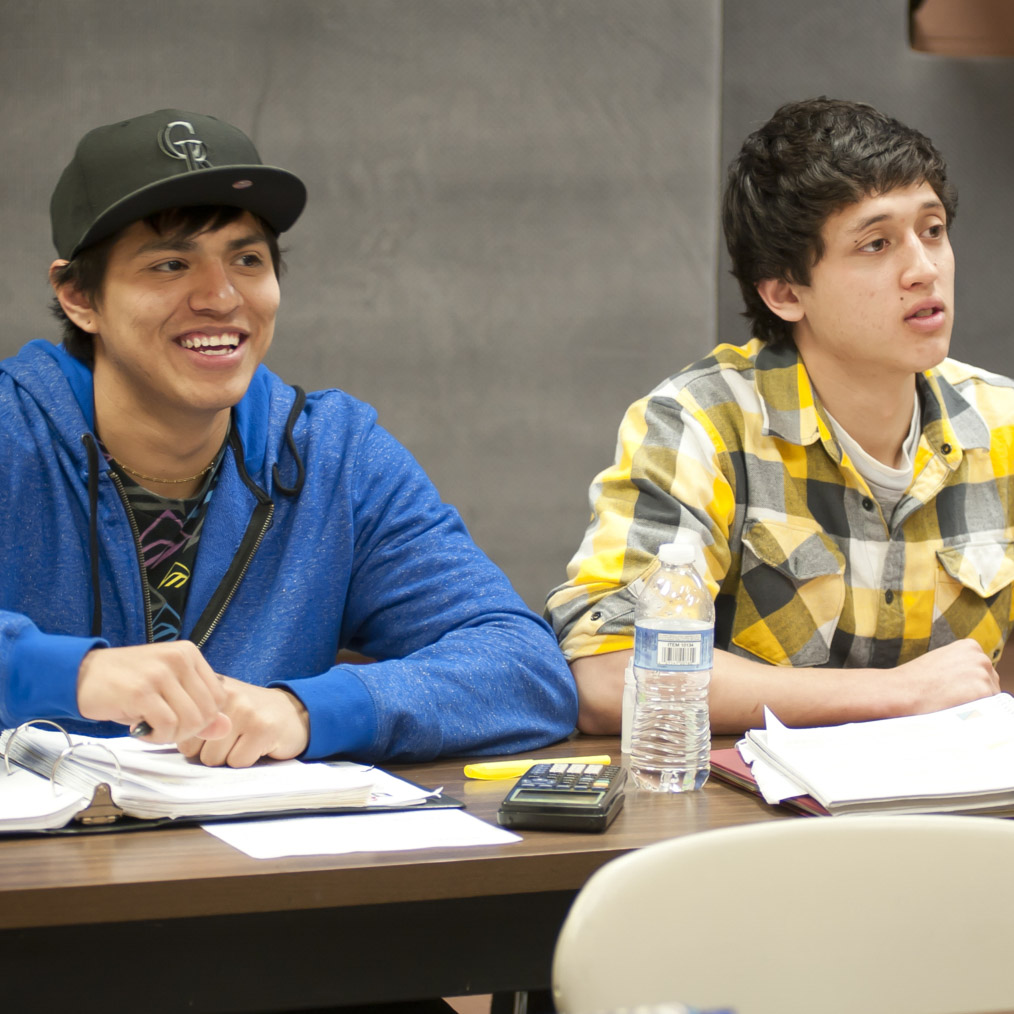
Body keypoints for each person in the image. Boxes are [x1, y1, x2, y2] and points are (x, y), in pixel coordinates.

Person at [0, 108, 577, 767]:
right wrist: (68, 675)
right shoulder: (13, 429)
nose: (220, 297)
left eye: (247, 259)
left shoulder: (336, 454)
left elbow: (524, 666)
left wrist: (308, 712)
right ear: (79, 296)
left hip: (252, 863)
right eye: (169, 265)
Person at [547, 96, 1012, 735]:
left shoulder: (1003, 422)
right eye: (877, 244)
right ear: (785, 292)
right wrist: (894, 694)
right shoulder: (700, 424)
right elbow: (611, 676)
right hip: (763, 819)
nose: (925, 269)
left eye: (932, 231)